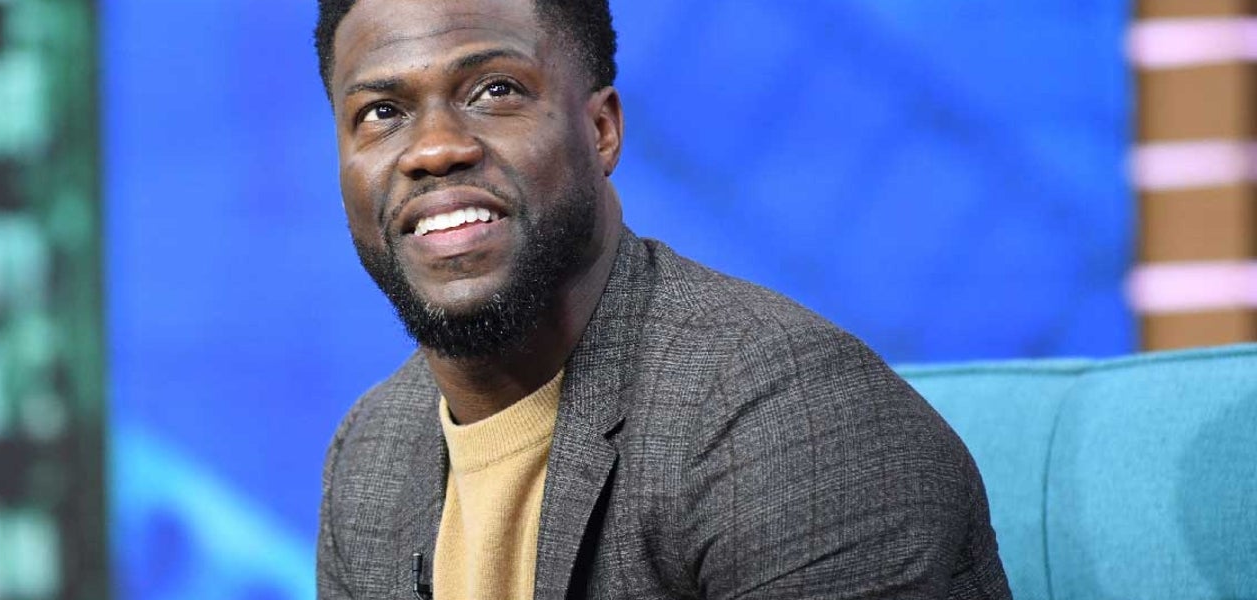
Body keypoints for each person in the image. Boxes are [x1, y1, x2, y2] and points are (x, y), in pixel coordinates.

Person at [313, 0, 1012, 598]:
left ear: (602, 130)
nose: (434, 149)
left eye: (495, 90)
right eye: (381, 111)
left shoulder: (787, 418)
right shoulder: (372, 450)